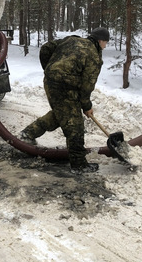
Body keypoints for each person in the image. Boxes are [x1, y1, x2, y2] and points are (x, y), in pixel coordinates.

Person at [20, 27, 110, 174]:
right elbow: (87, 85)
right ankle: (79, 165)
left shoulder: (72, 39)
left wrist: (50, 69)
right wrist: (86, 105)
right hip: (65, 87)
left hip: (50, 81)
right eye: (105, 43)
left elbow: (46, 48)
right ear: (100, 41)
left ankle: (28, 134)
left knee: (62, 114)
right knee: (74, 125)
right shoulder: (94, 56)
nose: (105, 46)